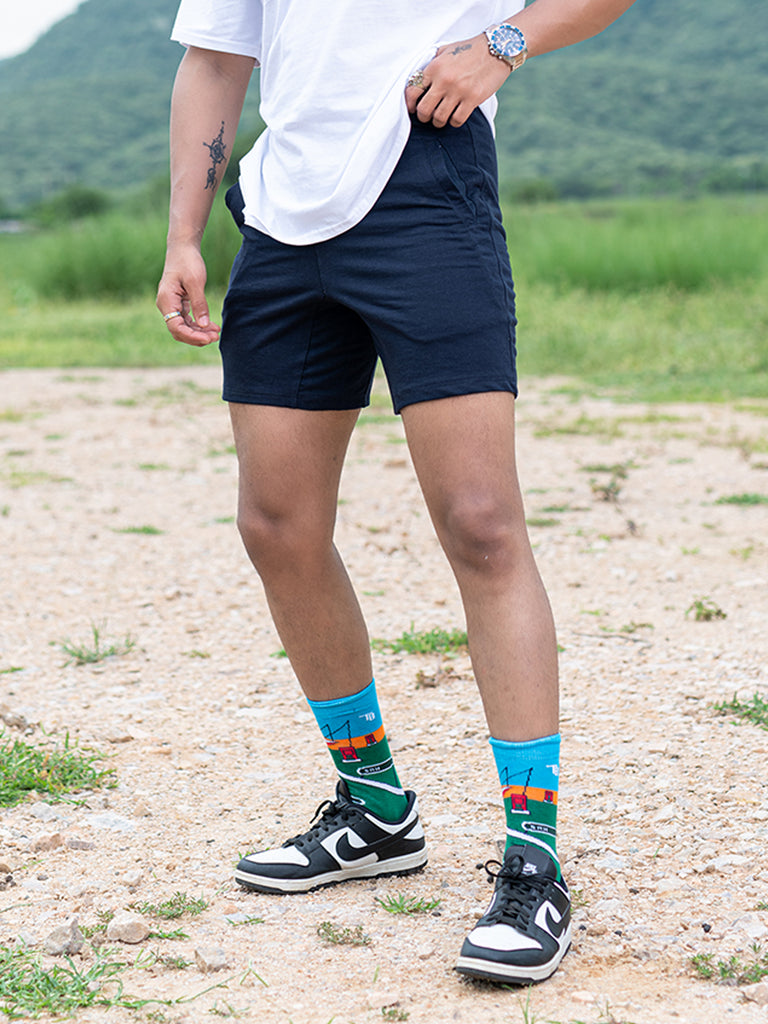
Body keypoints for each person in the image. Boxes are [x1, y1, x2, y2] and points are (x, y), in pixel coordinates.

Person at [157, 0, 635, 985]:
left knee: (481, 522)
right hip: (282, 215)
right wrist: (184, 236)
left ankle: (533, 860)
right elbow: (214, 60)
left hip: (426, 180)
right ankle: (375, 807)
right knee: (277, 526)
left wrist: (502, 45)